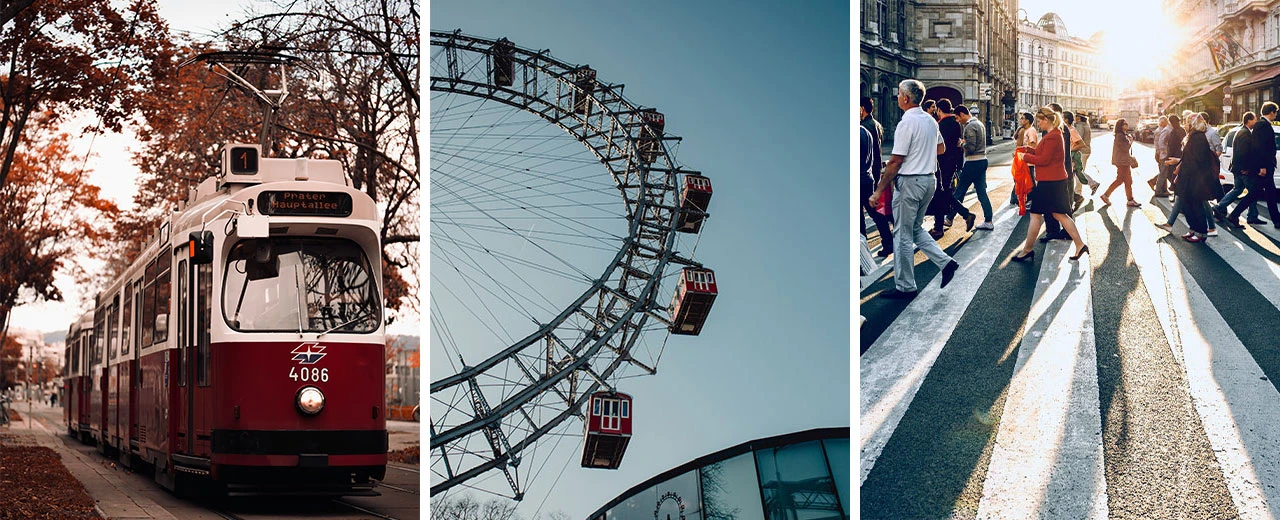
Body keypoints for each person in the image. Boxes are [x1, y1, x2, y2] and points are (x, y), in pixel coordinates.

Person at [868, 79, 960, 299]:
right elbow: (941, 148)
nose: (897, 97)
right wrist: (921, 154)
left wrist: (878, 191)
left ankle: (905, 286)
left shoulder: (906, 123)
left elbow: (895, 161)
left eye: (899, 94)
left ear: (906, 98)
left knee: (901, 234)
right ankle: (946, 263)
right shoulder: (930, 121)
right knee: (915, 228)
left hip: (910, 182)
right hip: (929, 180)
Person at [1012, 106, 1089, 261]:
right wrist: (1028, 150)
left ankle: (1027, 250)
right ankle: (1080, 245)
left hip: (1050, 182)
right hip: (1054, 181)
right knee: (1059, 214)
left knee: (1035, 214)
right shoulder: (1054, 134)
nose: (1038, 123)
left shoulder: (1053, 136)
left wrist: (1025, 158)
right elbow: (1043, 153)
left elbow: (1044, 160)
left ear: (1046, 120)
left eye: (1040, 121)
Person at [1160, 113, 1218, 242]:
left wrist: (1181, 165)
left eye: (1187, 122)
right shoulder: (1192, 136)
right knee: (1188, 206)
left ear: (1193, 124)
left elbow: (1197, 160)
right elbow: (1189, 157)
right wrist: (1179, 162)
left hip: (1195, 179)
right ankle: (1193, 229)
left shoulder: (1198, 138)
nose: (1185, 125)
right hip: (1189, 177)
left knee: (1196, 206)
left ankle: (1201, 233)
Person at [1228, 101, 1280, 228]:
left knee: (1265, 193)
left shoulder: (1262, 124)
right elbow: (1259, 147)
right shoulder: (1262, 125)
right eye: (1275, 112)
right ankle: (1234, 215)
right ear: (1271, 112)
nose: (1276, 115)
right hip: (1264, 166)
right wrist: (1262, 166)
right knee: (1259, 193)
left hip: (1266, 165)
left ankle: (1276, 220)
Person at [1216, 111, 1263, 227]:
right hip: (1243, 169)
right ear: (1249, 120)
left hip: (1238, 168)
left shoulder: (1241, 131)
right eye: (1254, 119)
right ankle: (1250, 216)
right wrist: (1245, 168)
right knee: (1252, 191)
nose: (1256, 121)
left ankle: (1220, 206)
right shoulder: (1245, 133)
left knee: (1238, 189)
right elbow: (1243, 153)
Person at [955, 105, 994, 230]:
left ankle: (949, 218)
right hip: (982, 160)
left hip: (973, 162)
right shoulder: (979, 124)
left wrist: (961, 144)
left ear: (962, 114)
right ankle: (988, 220)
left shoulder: (970, 126)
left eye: (957, 117)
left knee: (960, 191)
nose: (958, 120)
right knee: (981, 192)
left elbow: (971, 147)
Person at [860, 117, 893, 258]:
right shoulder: (865, 132)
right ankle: (888, 242)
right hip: (867, 178)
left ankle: (862, 251)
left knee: (859, 218)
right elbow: (874, 156)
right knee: (875, 213)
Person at [1100, 118, 1141, 207]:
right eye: (1125, 124)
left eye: (1126, 123)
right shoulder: (1120, 136)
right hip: (1122, 162)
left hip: (1123, 161)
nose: (1127, 125)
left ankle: (1129, 200)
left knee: (1126, 181)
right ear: (1121, 126)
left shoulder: (1122, 135)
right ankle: (1106, 195)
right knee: (1122, 180)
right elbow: (1125, 148)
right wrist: (1131, 141)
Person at [1012, 111, 1040, 206]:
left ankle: (1033, 200)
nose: (1021, 120)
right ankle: (1017, 198)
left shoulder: (1031, 130)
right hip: (1024, 159)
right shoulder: (1025, 130)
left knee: (1030, 181)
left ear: (1027, 120)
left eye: (1022, 118)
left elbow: (1032, 144)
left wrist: (1023, 152)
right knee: (1022, 179)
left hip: (1028, 160)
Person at [1075, 114, 1100, 193]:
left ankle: (1079, 192)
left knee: (1079, 172)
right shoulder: (1086, 125)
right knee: (1079, 171)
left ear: (1078, 118)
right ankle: (1079, 190)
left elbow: (1078, 139)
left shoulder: (1080, 126)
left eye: (1076, 116)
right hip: (1086, 151)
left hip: (1081, 151)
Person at [1150, 116, 1173, 196]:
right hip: (1161, 154)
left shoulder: (1161, 129)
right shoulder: (1162, 130)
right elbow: (1159, 143)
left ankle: (1164, 190)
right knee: (1163, 173)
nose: (1167, 123)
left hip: (1160, 154)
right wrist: (1162, 153)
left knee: (1164, 172)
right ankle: (1159, 190)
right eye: (1165, 121)